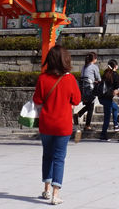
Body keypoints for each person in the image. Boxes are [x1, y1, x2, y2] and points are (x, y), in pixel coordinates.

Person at [34, 44, 81, 205]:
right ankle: (55, 193)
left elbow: (37, 100)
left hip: (46, 124)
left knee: (47, 155)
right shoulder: (70, 79)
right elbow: (76, 100)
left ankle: (46, 189)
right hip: (63, 125)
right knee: (59, 158)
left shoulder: (42, 78)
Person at [98, 59, 119, 141]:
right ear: (115, 66)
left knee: (113, 109)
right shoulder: (115, 75)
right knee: (109, 114)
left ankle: (113, 126)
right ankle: (106, 132)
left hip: (101, 97)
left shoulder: (105, 73)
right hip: (107, 98)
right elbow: (117, 88)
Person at [77, 51, 100, 131]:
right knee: (91, 106)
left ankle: (79, 114)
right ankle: (87, 125)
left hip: (83, 89)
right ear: (94, 59)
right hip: (90, 89)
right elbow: (98, 78)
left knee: (89, 106)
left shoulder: (84, 66)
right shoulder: (94, 66)